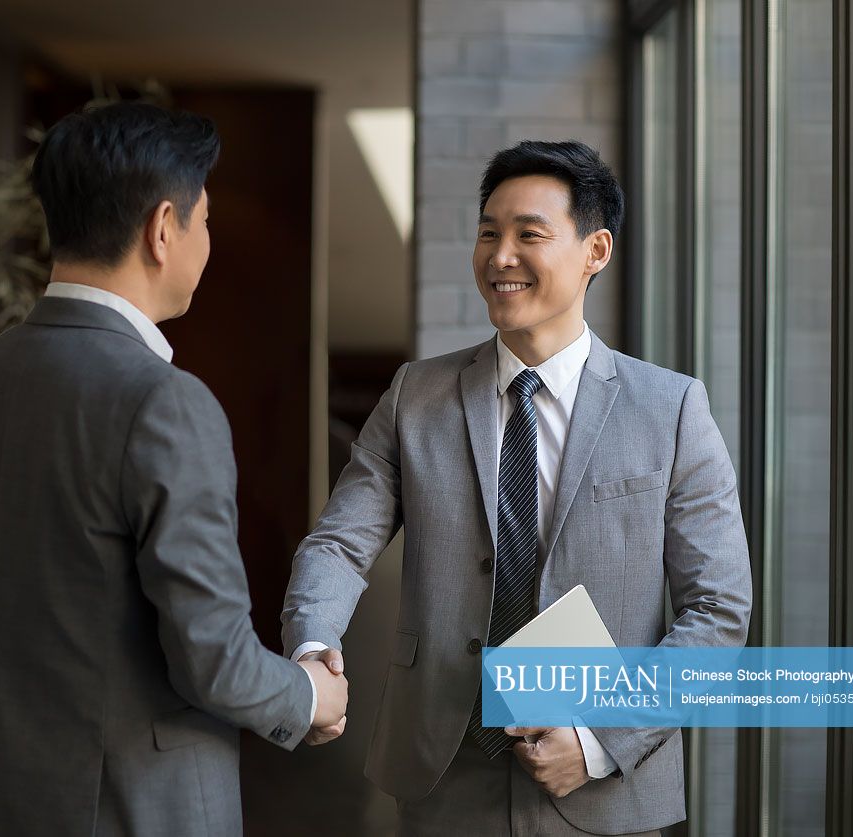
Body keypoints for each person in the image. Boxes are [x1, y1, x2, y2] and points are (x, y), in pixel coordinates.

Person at [281, 140, 752, 835]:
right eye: (487, 233)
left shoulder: (670, 408)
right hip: (442, 769)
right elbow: (339, 542)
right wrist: (310, 641)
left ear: (595, 250)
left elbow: (717, 610)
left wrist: (597, 741)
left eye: (528, 234)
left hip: (604, 786)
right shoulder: (417, 394)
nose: (500, 256)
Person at [0, 101, 348, 836]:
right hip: (138, 810)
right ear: (160, 229)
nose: (206, 242)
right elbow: (210, 657)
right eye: (203, 220)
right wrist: (308, 695)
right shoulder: (163, 402)